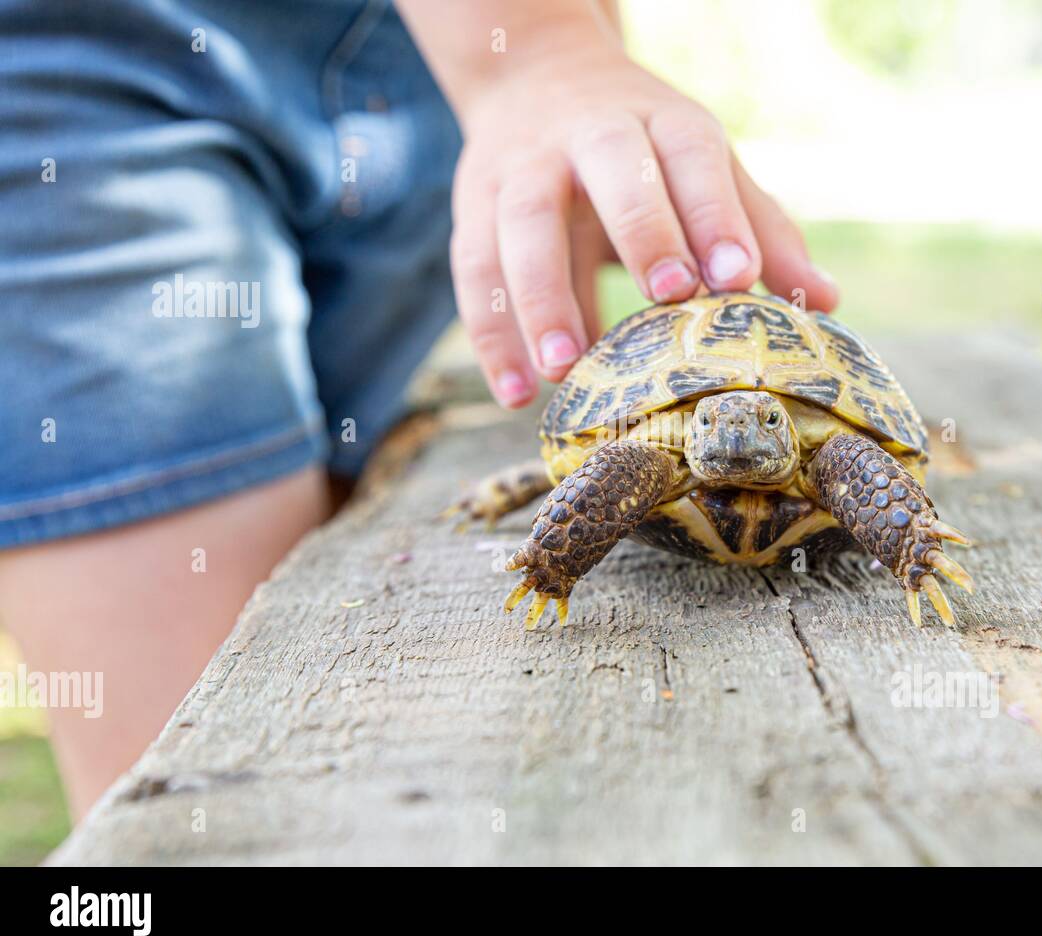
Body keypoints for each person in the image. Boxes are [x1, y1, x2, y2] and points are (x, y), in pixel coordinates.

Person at [0, 0, 837, 818]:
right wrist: (539, 49)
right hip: (101, 74)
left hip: (429, 87)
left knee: (344, 550)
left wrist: (580, 46)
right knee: (211, 773)